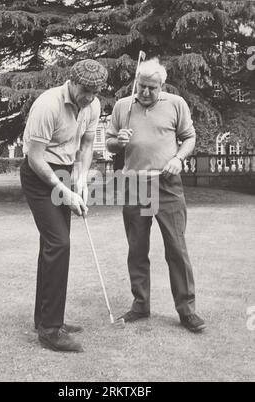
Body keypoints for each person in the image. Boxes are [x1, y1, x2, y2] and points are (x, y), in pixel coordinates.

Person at [106, 58, 206, 333]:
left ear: (162, 85)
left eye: (152, 88)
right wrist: (118, 142)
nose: (146, 93)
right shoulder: (122, 106)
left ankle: (187, 311)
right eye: (142, 86)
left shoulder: (176, 103)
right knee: (137, 248)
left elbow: (189, 137)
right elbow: (109, 143)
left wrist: (179, 158)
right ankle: (140, 305)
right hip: (135, 184)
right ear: (136, 83)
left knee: (176, 248)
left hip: (167, 183)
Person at [20, 59, 108, 352]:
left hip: (66, 171)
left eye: (94, 92)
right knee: (59, 244)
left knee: (52, 245)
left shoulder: (92, 106)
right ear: (72, 82)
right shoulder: (48, 105)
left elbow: (85, 146)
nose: (88, 98)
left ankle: (45, 318)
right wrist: (63, 190)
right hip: (39, 174)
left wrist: (80, 181)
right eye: (85, 91)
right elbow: (35, 157)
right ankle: (50, 330)